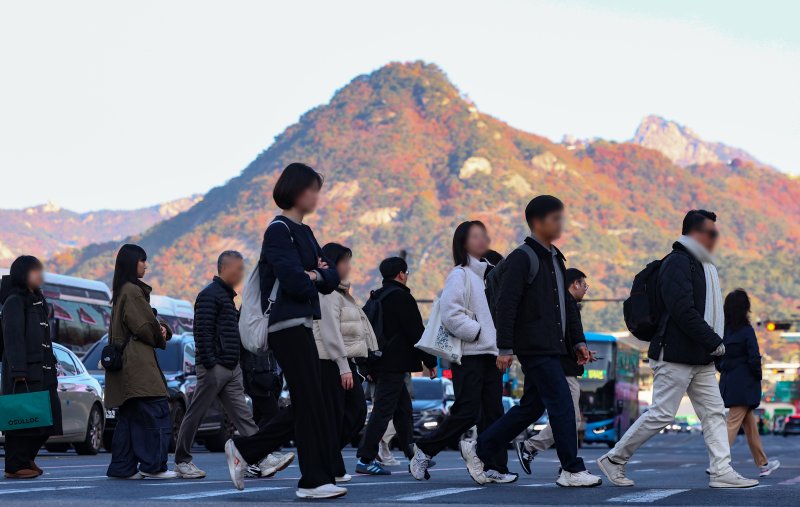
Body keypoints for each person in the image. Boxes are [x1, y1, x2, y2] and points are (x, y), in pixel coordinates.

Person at [597, 210, 758, 489]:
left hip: (700, 357)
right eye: (711, 233)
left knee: (714, 413)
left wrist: (710, 345)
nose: (715, 239)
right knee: (661, 414)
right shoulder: (678, 263)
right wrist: (714, 341)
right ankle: (614, 459)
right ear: (695, 233)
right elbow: (682, 310)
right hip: (675, 353)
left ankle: (721, 471)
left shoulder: (703, 266)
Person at [460, 195, 601, 488]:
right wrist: (506, 348)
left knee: (531, 408)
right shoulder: (522, 258)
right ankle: (571, 469)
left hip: (553, 346)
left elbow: (566, 306)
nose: (560, 224)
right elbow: (506, 305)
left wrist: (577, 342)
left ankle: (479, 447)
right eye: (555, 218)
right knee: (562, 403)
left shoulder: (556, 259)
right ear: (537, 223)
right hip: (534, 346)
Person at [223, 163, 345, 500]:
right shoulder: (279, 230)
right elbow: (292, 279)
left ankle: (249, 452)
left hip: (303, 324)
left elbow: (332, 279)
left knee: (312, 402)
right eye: (312, 188)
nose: (316, 195)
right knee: (311, 401)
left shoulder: (304, 232)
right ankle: (311, 481)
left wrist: (315, 275)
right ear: (295, 190)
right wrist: (313, 274)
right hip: (284, 326)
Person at [409, 221, 515, 483]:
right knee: (466, 411)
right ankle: (424, 451)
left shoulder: (491, 274)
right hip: (469, 354)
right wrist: (478, 333)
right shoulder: (460, 274)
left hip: (491, 354)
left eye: (484, 235)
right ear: (463, 243)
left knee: (493, 412)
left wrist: (502, 346)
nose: (482, 240)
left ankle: (495, 467)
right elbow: (451, 313)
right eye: (475, 236)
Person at [174, 251, 294, 479]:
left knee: (243, 416)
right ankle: (182, 461)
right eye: (238, 268)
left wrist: (233, 363)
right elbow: (202, 332)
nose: (241, 273)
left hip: (231, 367)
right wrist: (210, 364)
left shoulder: (227, 298)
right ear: (225, 268)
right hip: (214, 367)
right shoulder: (209, 295)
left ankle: (262, 456)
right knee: (196, 413)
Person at [355, 257, 437, 475]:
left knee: (403, 411)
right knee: (383, 411)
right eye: (406, 273)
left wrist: (368, 365)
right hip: (394, 363)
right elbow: (416, 334)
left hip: (379, 361)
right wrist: (430, 362)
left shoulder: (377, 296)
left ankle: (414, 457)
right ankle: (365, 458)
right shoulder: (402, 298)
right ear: (401, 274)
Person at [105, 244, 176, 480]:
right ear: (132, 262)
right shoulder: (133, 291)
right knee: (155, 411)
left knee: (129, 417)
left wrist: (159, 327)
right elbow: (146, 327)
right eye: (142, 260)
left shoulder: (120, 290)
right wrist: (161, 332)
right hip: (138, 366)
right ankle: (153, 466)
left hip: (125, 368)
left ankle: (122, 468)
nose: (146, 265)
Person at [313, 242, 379, 483]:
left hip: (344, 361)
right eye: (345, 262)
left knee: (351, 414)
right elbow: (329, 330)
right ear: (332, 264)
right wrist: (343, 366)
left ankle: (331, 462)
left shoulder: (341, 292)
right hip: (331, 361)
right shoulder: (328, 293)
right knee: (345, 414)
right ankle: (328, 462)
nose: (349, 267)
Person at [517, 268, 592, 473]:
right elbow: (572, 333)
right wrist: (579, 346)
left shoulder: (558, 304)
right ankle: (533, 447)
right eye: (584, 285)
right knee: (571, 418)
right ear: (574, 284)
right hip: (563, 370)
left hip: (550, 365)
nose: (586, 289)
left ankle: (566, 465)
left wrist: (580, 348)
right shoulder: (568, 304)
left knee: (534, 410)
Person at [0, 256, 62, 479]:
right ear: (23, 274)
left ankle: (27, 458)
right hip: (24, 372)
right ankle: (15, 465)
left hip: (44, 370)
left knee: (48, 419)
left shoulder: (37, 300)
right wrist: (18, 372)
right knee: (21, 419)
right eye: (35, 271)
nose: (40, 276)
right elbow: (13, 338)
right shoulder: (14, 301)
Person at [718, 289, 780, 477]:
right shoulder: (746, 331)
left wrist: (726, 370)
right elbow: (754, 358)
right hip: (745, 384)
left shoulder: (722, 331)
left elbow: (716, 358)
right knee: (732, 423)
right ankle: (718, 462)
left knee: (750, 426)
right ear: (746, 309)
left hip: (728, 383)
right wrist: (757, 377)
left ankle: (763, 464)